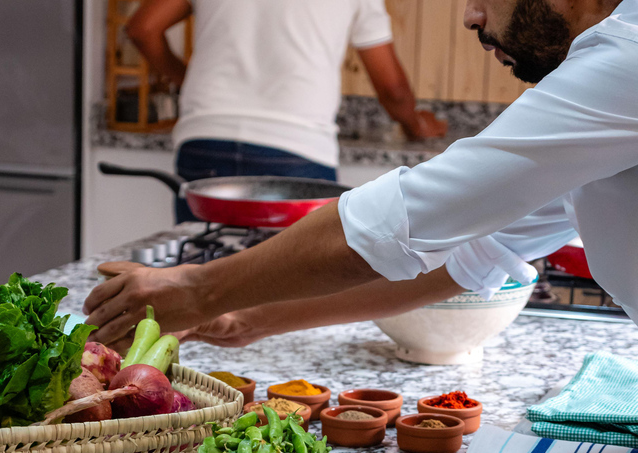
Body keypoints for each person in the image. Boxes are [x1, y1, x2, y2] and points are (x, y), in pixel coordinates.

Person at [84, 0, 638, 348]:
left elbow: (393, 223)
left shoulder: (627, 58)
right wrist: (245, 318)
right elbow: (470, 255)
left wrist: (197, 288)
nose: (470, 16)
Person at [126, 0, 447, 222]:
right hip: (297, 150)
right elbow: (392, 90)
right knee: (288, 292)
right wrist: (415, 125)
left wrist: (187, 81)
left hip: (206, 139)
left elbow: (142, 29)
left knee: (199, 276)